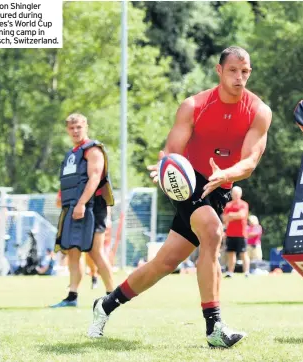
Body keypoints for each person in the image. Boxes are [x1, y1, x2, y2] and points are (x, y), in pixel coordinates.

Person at [88, 46, 272, 348]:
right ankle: (214, 328)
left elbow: (250, 162)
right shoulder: (194, 106)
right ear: (219, 70)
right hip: (188, 181)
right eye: (233, 71)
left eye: (245, 71)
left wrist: (226, 174)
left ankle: (105, 305)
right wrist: (165, 167)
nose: (240, 78)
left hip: (220, 184)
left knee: (164, 263)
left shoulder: (259, 111)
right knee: (213, 233)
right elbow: (173, 152)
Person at [51, 113, 116, 308]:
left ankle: (112, 296)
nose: (75, 131)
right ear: (67, 130)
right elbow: (72, 179)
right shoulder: (71, 154)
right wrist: (62, 196)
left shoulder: (93, 150)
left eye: (78, 127)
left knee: (95, 252)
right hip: (73, 206)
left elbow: (94, 178)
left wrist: (80, 204)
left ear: (85, 126)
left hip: (93, 207)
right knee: (72, 250)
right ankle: (72, 296)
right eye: (71, 128)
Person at [223, 186, 250, 277]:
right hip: (230, 233)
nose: (235, 195)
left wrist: (231, 215)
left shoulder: (244, 204)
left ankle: (246, 272)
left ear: (240, 194)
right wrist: (233, 216)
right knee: (231, 254)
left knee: (243, 253)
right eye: (234, 193)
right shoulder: (228, 205)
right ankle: (230, 272)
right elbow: (224, 218)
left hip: (241, 234)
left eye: (237, 193)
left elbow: (242, 215)